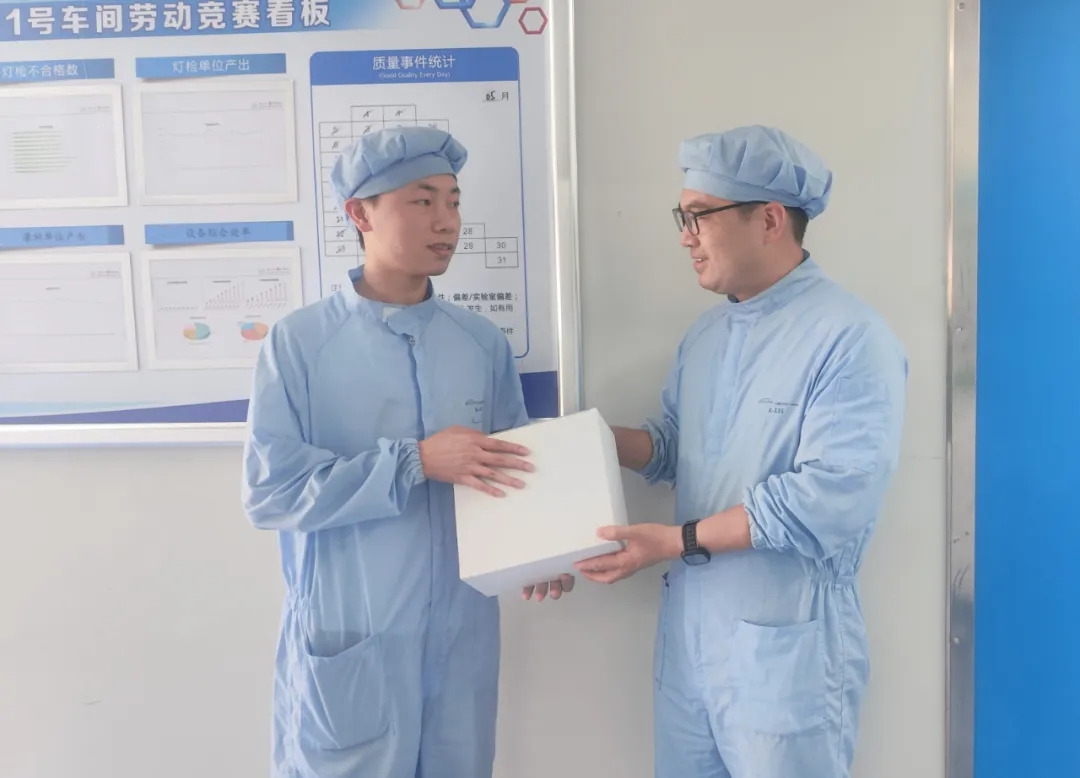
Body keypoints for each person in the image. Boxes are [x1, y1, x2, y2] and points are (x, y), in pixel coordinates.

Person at [576, 125, 908, 778]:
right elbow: (674, 449)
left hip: (788, 657)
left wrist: (675, 541)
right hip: (690, 652)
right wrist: (581, 441)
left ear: (771, 220)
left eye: (699, 215)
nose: (685, 236)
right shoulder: (706, 337)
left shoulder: (850, 338)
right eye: (683, 217)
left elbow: (829, 500)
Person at [241, 125, 571, 778]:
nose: (446, 221)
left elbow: (512, 473)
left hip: (460, 640)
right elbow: (271, 493)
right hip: (351, 640)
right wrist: (413, 461)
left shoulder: (480, 343)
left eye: (453, 201)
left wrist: (538, 552)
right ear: (360, 214)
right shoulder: (299, 343)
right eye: (422, 201)